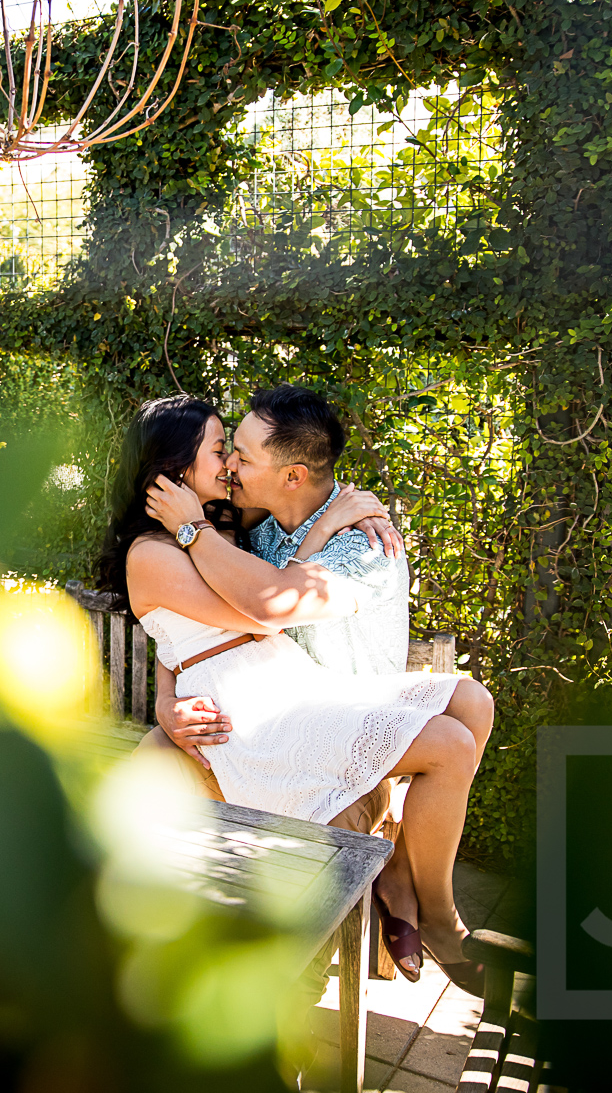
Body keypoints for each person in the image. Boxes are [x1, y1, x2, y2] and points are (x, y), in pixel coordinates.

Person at [99, 392, 492, 993]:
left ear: (292, 474)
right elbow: (248, 618)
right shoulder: (159, 550)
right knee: (448, 745)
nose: (229, 462)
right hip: (253, 709)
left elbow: (257, 603)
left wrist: (329, 520)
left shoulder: (235, 532)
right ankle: (438, 918)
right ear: (177, 470)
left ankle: (405, 880)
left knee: (471, 701)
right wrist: (163, 702)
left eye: (236, 451)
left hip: (288, 685)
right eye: (218, 448)